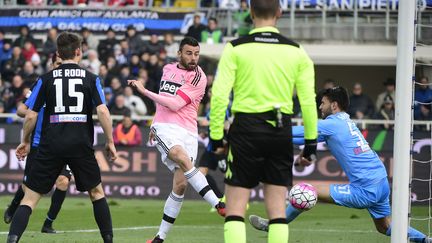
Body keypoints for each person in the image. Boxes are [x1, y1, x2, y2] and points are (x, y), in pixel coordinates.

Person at [248, 87, 432, 243]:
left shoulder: (332, 124)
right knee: (385, 227)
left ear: (334, 105)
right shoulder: (344, 121)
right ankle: (425, 239)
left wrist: (264, 130)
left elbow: (297, 131)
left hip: (366, 187)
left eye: (323, 103)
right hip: (380, 180)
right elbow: (307, 137)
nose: (320, 107)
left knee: (304, 191)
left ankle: (274, 225)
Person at [208, 0, 318, 242]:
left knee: (235, 208)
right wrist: (310, 145)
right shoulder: (296, 51)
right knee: (278, 210)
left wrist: (216, 136)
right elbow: (309, 102)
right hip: (280, 130)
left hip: (245, 129)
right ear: (279, 12)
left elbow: (218, 97)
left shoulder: (235, 48)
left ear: (250, 12)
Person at [7, 32, 117, 243]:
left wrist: (25, 140)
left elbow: (30, 114)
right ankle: (109, 241)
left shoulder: (45, 79)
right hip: (80, 144)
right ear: (78, 52)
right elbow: (103, 112)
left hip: (51, 144)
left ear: (59, 53)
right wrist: (110, 142)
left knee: (30, 199)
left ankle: (12, 240)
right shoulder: (91, 79)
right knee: (96, 192)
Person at [128, 36, 225, 243]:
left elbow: (174, 104)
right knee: (179, 155)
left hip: (187, 130)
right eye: (189, 53)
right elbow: (163, 105)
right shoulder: (168, 69)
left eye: (196, 54)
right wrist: (155, 123)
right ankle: (218, 203)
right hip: (165, 128)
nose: (193, 58)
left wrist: (144, 91)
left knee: (180, 185)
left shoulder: (199, 77)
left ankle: (159, 238)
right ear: (179, 53)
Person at [3, 53, 72, 234]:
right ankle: (14, 206)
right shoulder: (43, 83)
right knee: (29, 187)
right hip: (39, 143)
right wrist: (35, 111)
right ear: (52, 65)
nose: (60, 67)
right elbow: (21, 110)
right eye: (57, 63)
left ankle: (48, 223)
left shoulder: (71, 86)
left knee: (63, 181)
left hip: (62, 143)